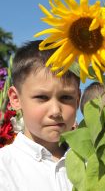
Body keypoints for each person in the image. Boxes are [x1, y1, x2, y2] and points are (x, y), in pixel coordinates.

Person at [0, 40, 81, 191]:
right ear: (15, 99)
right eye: (42, 97)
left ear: (78, 99)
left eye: (66, 97)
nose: (56, 111)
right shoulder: (4, 169)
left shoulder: (91, 163)